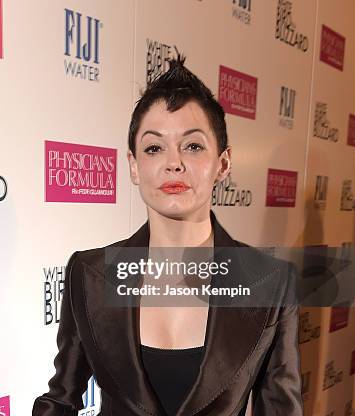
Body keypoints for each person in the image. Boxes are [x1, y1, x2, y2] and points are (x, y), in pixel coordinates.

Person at [32, 55, 303, 416]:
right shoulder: (90, 273)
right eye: (154, 147)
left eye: (192, 146)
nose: (172, 162)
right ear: (133, 165)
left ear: (223, 163)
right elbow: (61, 399)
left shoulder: (271, 283)